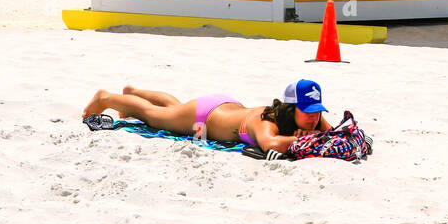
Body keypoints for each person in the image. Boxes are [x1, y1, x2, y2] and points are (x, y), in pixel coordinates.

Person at [82, 77, 331, 154]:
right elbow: (271, 144)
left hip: (225, 107)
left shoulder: (311, 118)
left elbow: (333, 133)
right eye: (307, 111)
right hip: (203, 117)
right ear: (290, 109)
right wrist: (311, 139)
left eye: (317, 111)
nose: (313, 118)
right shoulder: (264, 122)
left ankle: (133, 92)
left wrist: (319, 132)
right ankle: (106, 97)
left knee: (173, 109)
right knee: (153, 115)